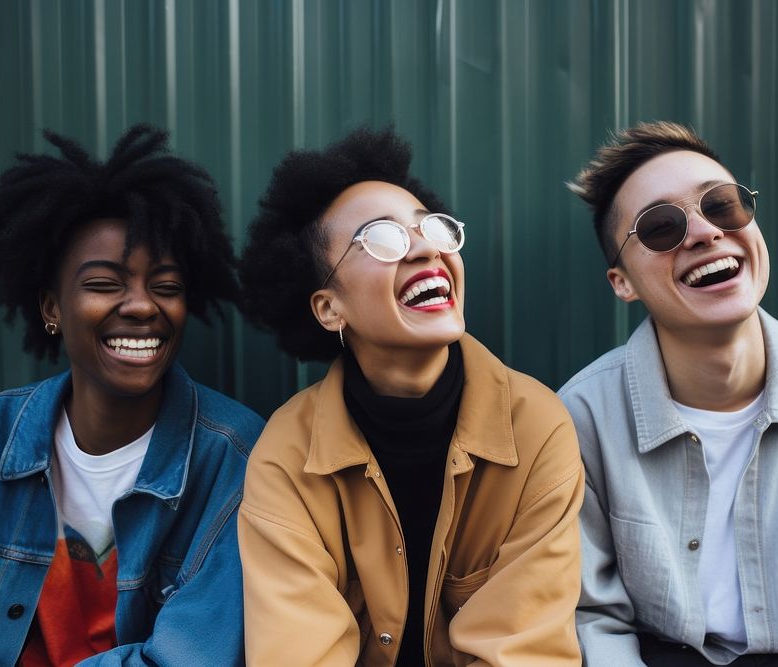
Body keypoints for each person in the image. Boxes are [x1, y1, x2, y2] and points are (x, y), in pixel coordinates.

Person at [559, 120, 778, 666]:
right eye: (659, 227)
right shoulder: (582, 417)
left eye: (722, 206)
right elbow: (592, 619)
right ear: (622, 282)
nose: (704, 233)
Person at [0, 124, 264, 665]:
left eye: (166, 287)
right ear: (51, 308)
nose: (143, 306)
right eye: (105, 284)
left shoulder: (232, 461)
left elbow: (193, 657)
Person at [237, 126, 583, 666]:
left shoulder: (537, 428)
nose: (426, 248)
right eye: (383, 238)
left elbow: (523, 652)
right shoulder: (286, 457)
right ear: (329, 308)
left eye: (434, 230)